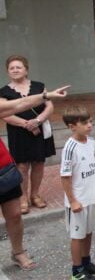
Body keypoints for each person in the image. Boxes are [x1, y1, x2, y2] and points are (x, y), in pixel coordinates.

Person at [0, 84, 69, 270]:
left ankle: (18, 252)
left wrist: (47, 95)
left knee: (14, 215)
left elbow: (18, 104)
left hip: (2, 168)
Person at [60, 107, 95, 280]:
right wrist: (73, 200)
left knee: (88, 232)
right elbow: (65, 177)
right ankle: (77, 271)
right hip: (78, 200)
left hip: (92, 197)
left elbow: (91, 163)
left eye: (90, 121)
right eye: (85, 123)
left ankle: (86, 262)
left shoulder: (90, 142)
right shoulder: (69, 147)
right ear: (72, 126)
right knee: (77, 235)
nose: (90, 125)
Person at [1, 55, 56, 214]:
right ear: (8, 72)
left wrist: (37, 121)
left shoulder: (39, 86)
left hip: (40, 130)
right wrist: (26, 124)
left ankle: (35, 195)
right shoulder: (3, 91)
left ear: (26, 69)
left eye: (18, 67)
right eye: (11, 68)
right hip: (19, 132)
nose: (15, 70)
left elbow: (49, 107)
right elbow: (4, 114)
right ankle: (23, 197)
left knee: (39, 163)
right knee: (22, 166)